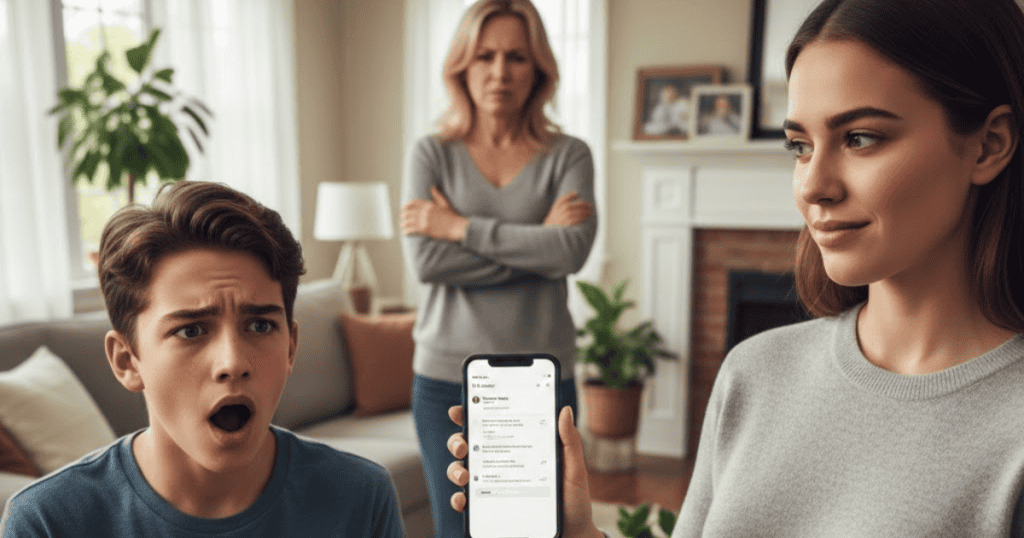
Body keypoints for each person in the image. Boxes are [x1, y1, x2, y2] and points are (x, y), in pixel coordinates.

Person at [445, 0, 1024, 535]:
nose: (813, 186)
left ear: (990, 144)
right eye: (800, 146)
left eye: (860, 138)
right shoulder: (754, 373)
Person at [0, 181, 404, 537]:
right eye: (191, 331)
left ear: (291, 348)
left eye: (260, 326)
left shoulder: (362, 497)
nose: (233, 362)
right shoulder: (47, 523)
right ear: (127, 361)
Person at [399, 0, 597, 535]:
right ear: (462, 64)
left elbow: (570, 252)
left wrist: (460, 227)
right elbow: (427, 261)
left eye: (517, 57)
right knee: (458, 529)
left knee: (541, 529)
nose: (500, 72)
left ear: (539, 69)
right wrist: (538, 245)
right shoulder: (430, 154)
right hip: (446, 378)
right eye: (485, 56)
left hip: (544, 377)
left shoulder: (569, 154)